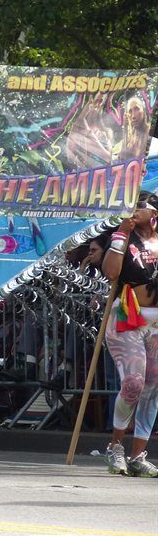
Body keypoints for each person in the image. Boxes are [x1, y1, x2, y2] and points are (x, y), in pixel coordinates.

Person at [100, 195, 158, 477]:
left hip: (156, 325)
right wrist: (122, 231)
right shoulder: (124, 235)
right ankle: (115, 447)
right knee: (133, 383)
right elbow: (111, 273)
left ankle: (138, 455)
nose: (134, 210)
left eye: (141, 205)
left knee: (153, 387)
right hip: (127, 319)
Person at [66, 94, 151, 171]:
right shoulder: (131, 133)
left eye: (137, 109)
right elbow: (123, 157)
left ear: (143, 111)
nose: (133, 116)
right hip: (111, 165)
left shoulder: (148, 134)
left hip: (112, 167)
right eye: (130, 111)